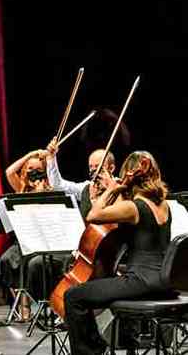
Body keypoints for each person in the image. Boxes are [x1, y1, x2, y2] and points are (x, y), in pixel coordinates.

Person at [65, 151, 171, 355]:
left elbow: (93, 214)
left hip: (140, 282)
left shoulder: (134, 208)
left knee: (73, 296)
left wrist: (111, 189)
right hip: (164, 280)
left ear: (129, 175)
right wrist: (121, 190)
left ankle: (93, 350)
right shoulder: (163, 205)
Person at [0, 149, 52, 321]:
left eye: (38, 169)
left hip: (42, 241)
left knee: (26, 262)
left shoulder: (50, 189)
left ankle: (26, 306)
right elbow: (9, 171)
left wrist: (41, 193)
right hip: (22, 241)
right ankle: (21, 303)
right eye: (30, 169)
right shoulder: (20, 188)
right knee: (6, 260)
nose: (33, 173)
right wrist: (31, 154)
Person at [46, 138, 116, 219]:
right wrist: (51, 158)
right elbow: (57, 185)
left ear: (111, 168)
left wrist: (110, 187)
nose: (93, 171)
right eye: (91, 167)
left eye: (98, 166)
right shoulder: (86, 187)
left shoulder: (120, 188)